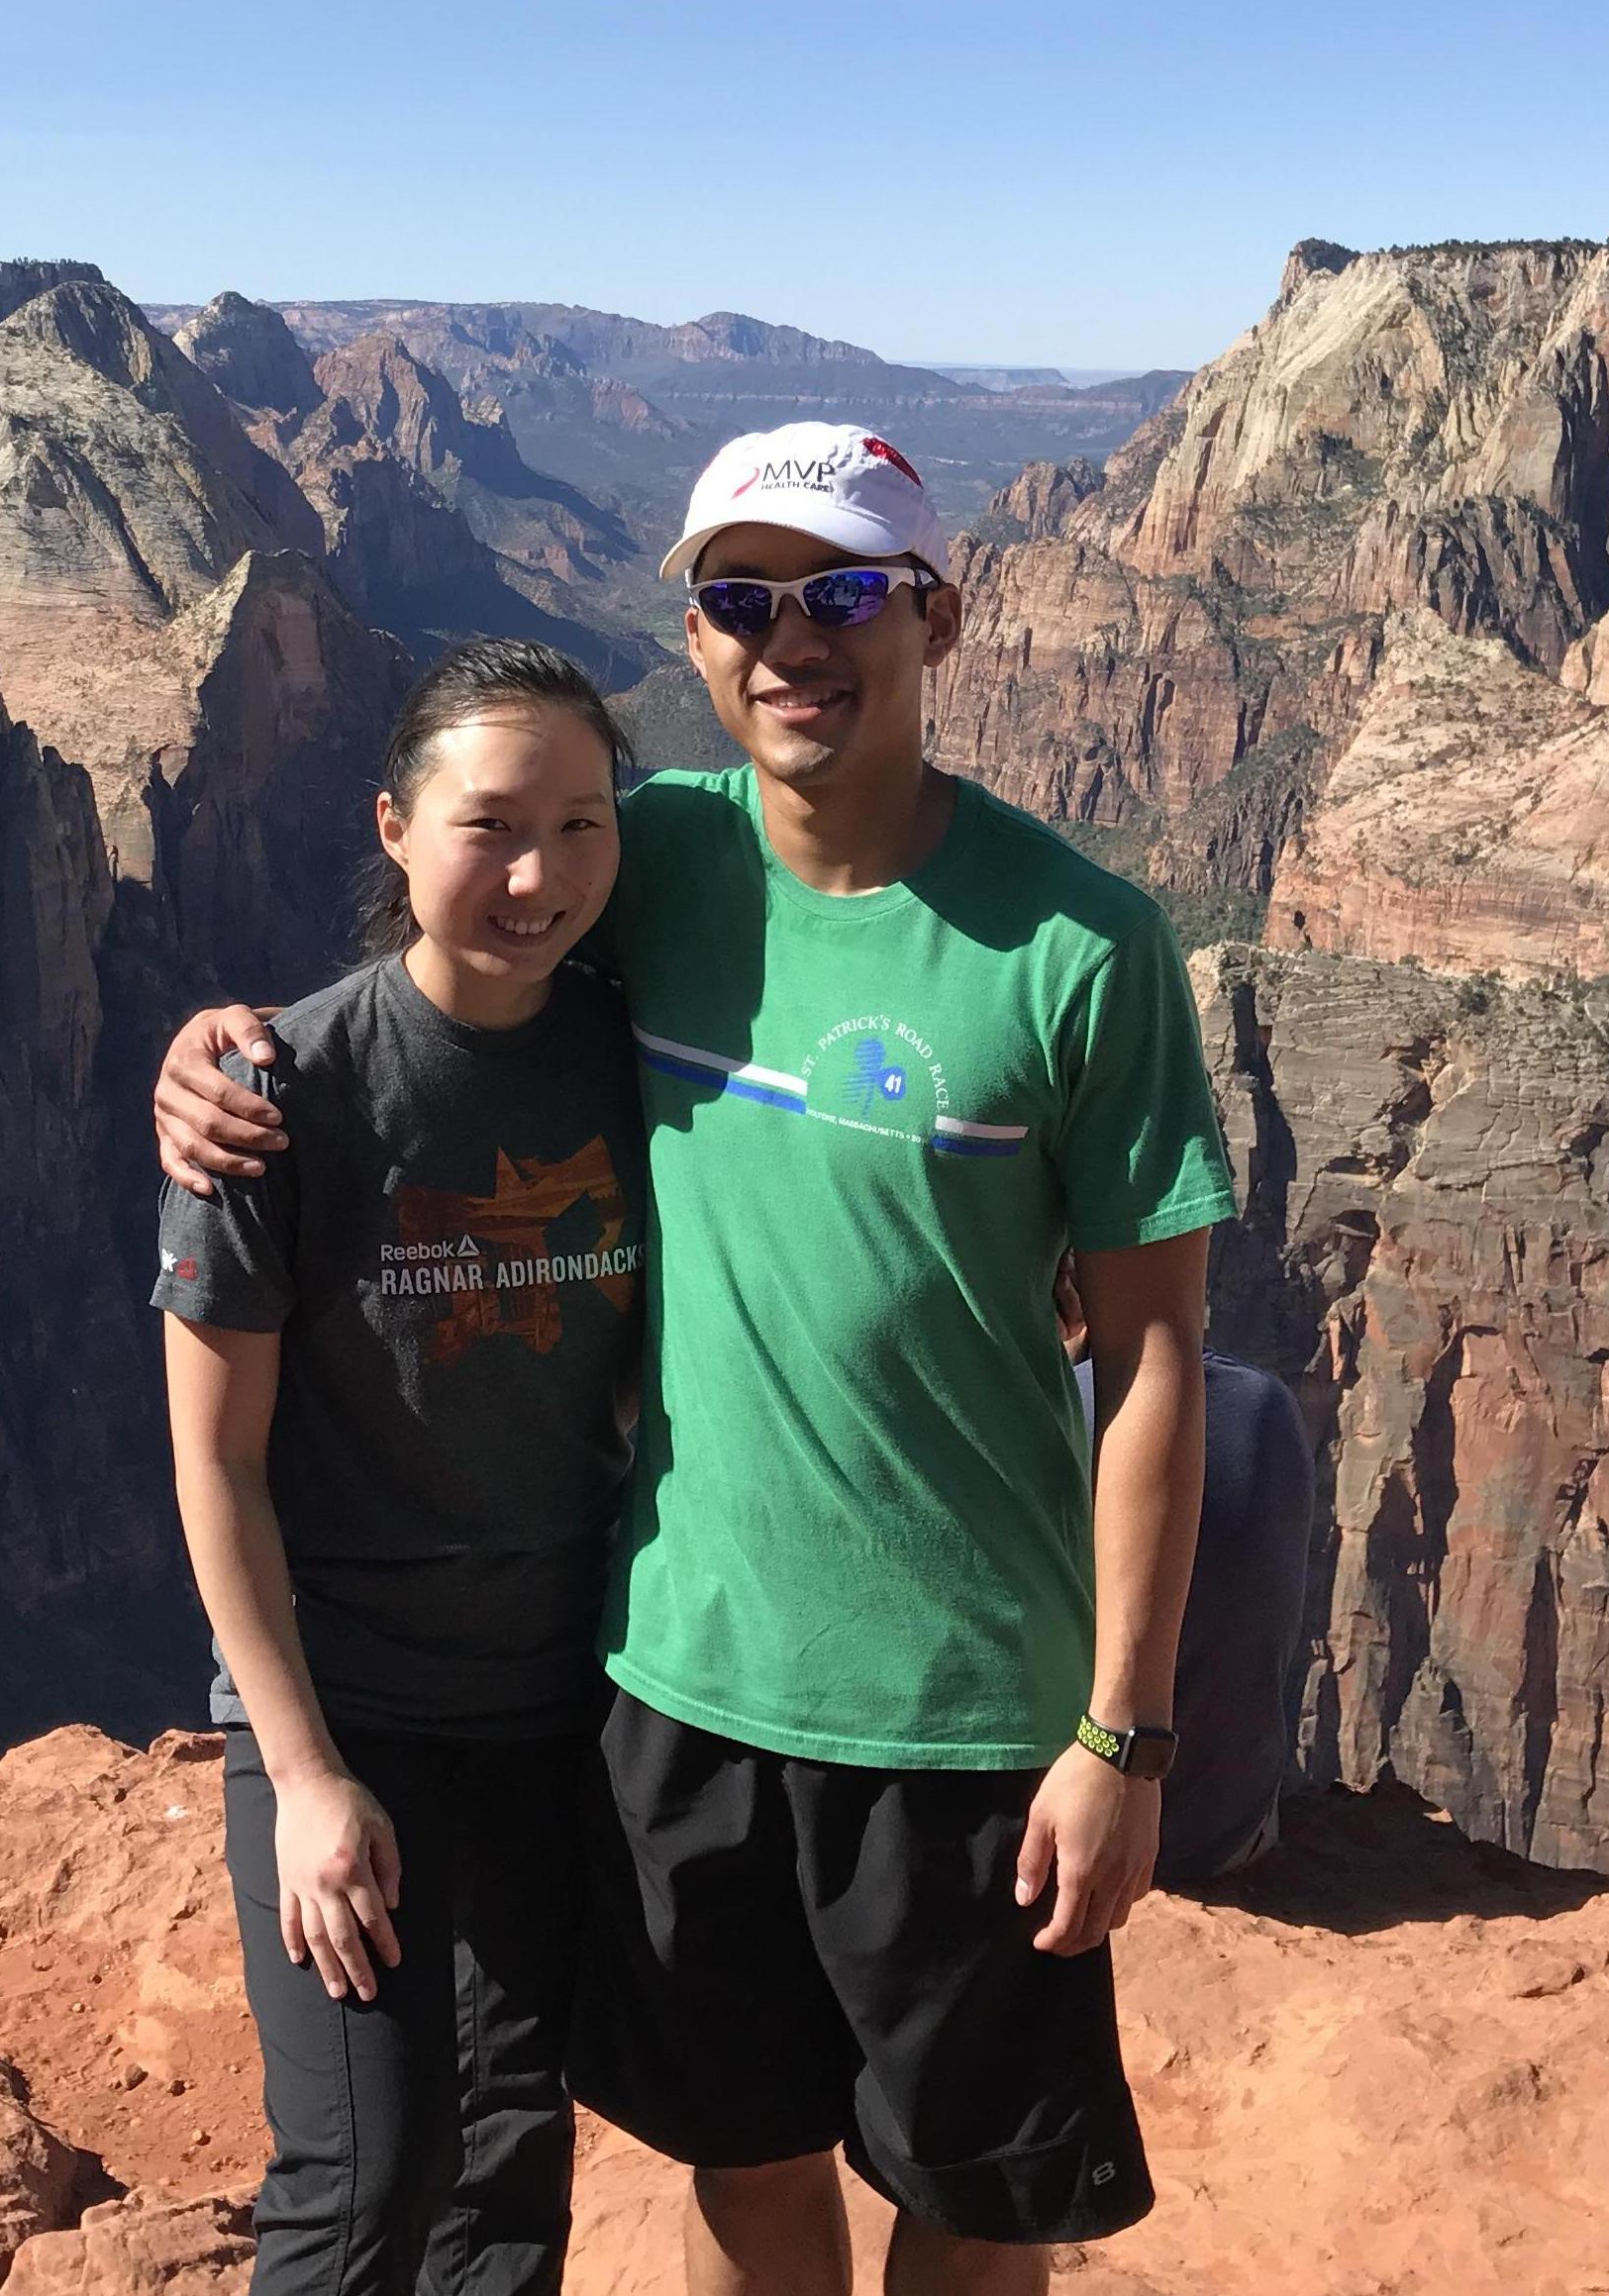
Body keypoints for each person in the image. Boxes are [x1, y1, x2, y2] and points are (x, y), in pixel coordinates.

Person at [160, 423, 1238, 2296]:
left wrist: (1118, 1736)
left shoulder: (1084, 944)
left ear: (935, 615)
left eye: (838, 592)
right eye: (740, 599)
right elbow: (459, 946)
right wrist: (215, 1057)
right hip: (677, 1688)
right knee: (740, 2164)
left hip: (970, 1712)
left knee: (975, 2206)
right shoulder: (640, 844)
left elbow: (1153, 1356)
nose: (788, 639)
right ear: (697, 631)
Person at [155, 637, 647, 2295]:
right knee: (365, 2169)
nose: (537, 874)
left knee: (509, 2159)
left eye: (582, 825)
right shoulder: (272, 1092)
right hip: (342, 1702)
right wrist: (301, 1779)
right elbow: (214, 1464)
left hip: (552, 1705)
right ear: (389, 824)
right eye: (488, 824)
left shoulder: (639, 1048)